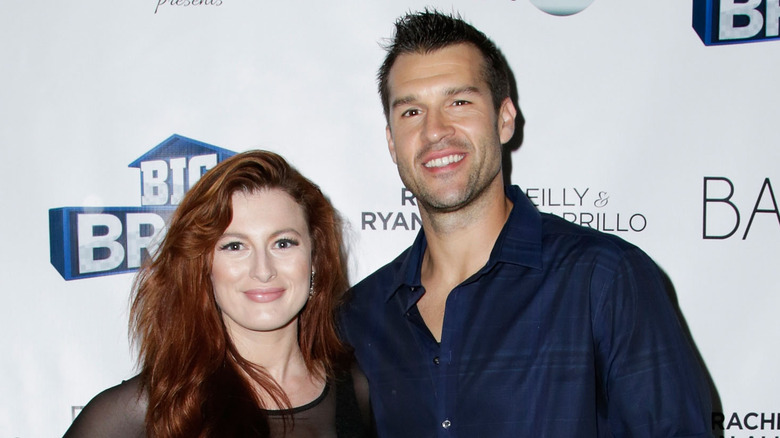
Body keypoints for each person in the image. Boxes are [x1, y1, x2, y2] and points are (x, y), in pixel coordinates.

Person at [339, 9, 712, 437]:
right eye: (411, 112)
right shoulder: (360, 317)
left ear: (504, 118)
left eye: (459, 102)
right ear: (391, 141)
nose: (435, 130)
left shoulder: (602, 281)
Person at [64, 150, 375, 437]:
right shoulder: (142, 412)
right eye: (234, 246)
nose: (263, 270)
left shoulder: (361, 391)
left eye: (283, 243)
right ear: (204, 267)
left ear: (314, 259)